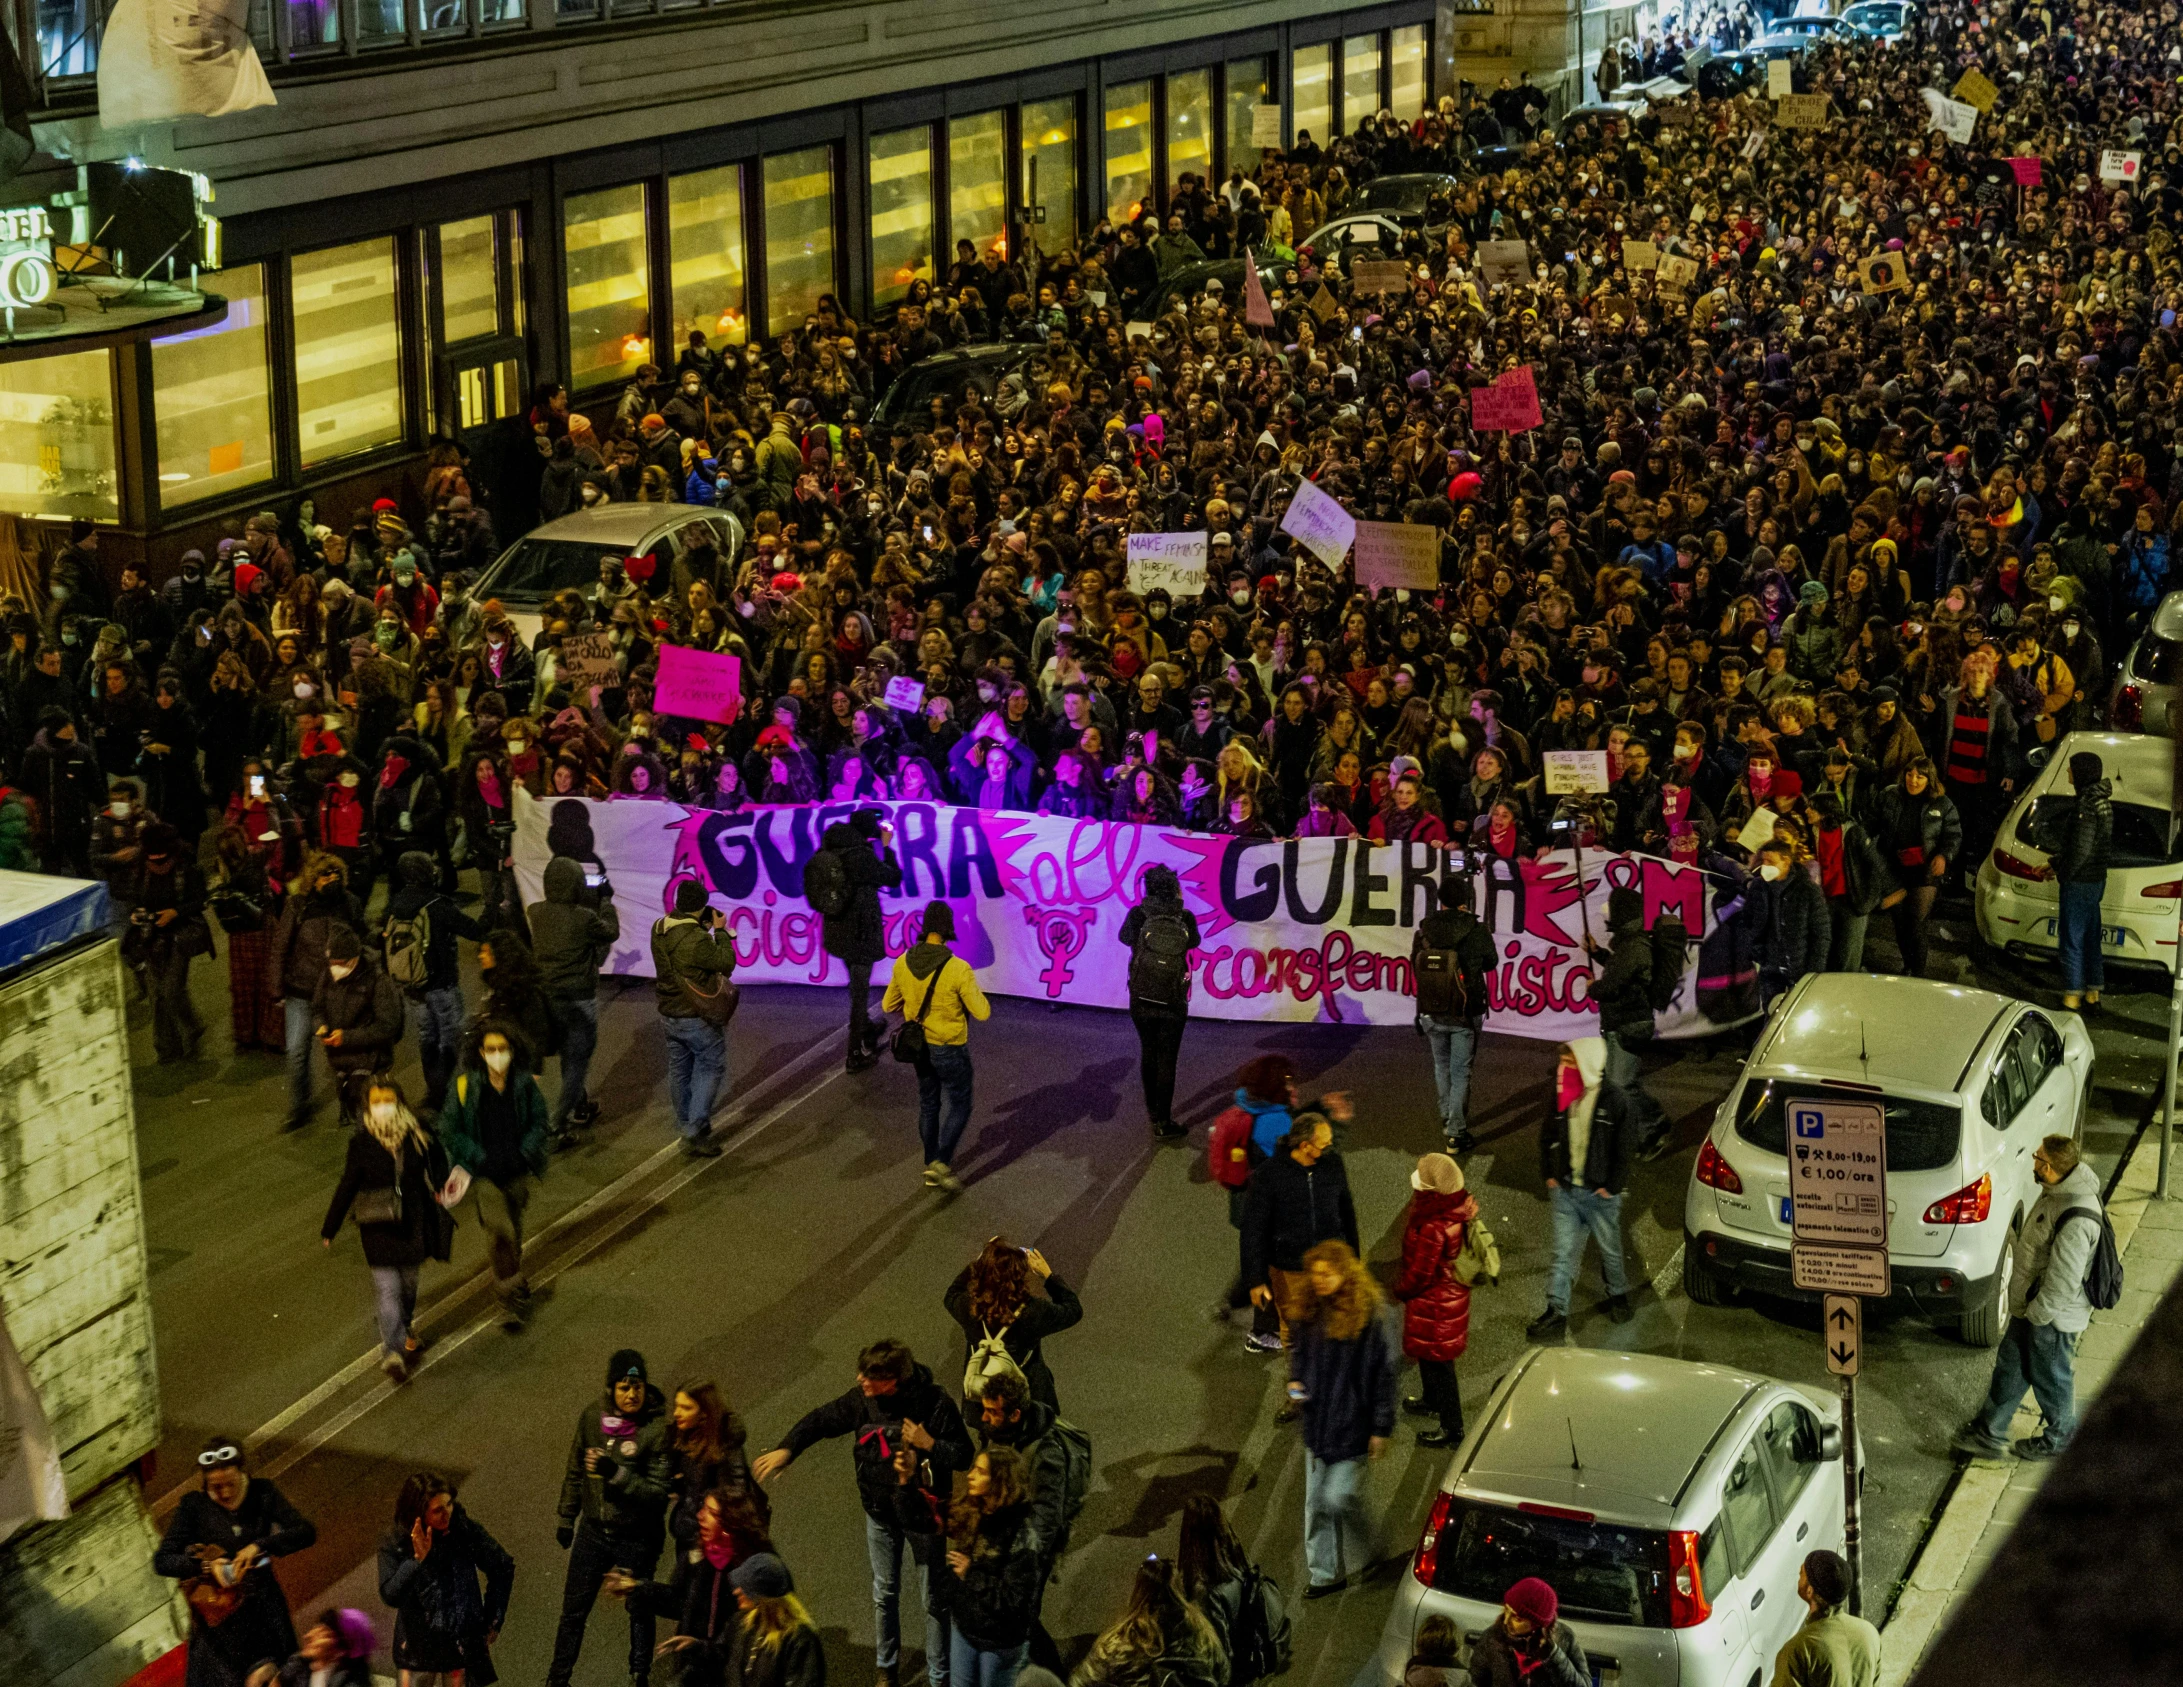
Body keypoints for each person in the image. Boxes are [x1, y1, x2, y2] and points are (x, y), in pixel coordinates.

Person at [751, 1338, 973, 1687]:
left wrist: (929, 1444)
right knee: (884, 1593)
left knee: (934, 1601)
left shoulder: (934, 1404)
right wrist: (788, 1449)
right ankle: (886, 1667)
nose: (859, 1380)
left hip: (923, 1520)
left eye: (870, 1376)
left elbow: (964, 1454)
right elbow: (821, 1420)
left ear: (894, 1379)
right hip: (880, 1513)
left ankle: (938, 1676)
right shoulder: (863, 1403)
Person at [1956, 1135, 2105, 1460]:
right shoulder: (2057, 1192)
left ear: (2048, 1166)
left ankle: (2060, 1438)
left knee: (2051, 1377)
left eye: (2037, 1157)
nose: (2033, 1161)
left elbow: (2064, 1279)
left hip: (2050, 1316)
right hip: (2031, 1309)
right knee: (2011, 1367)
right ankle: (1990, 1434)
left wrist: (2037, 1315)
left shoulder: (2076, 1216)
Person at [548, 1350, 674, 1687]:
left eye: (638, 1387)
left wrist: (615, 1474)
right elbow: (575, 1469)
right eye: (624, 1387)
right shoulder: (592, 1417)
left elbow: (658, 1495)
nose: (632, 1395)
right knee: (573, 1613)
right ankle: (557, 1680)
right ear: (611, 1389)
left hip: (637, 1536)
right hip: (593, 1532)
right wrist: (566, 1516)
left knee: (639, 1608)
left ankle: (639, 1675)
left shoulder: (657, 1429)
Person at [154, 1437, 318, 1687]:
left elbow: (305, 1532)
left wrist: (260, 1546)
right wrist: (207, 1567)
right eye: (216, 1487)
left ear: (243, 1472)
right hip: (221, 1619)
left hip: (264, 1611)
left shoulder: (263, 1493)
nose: (226, 1493)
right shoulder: (194, 1507)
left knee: (281, 1678)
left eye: (231, 1484)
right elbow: (163, 1561)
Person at [320, 1078, 452, 1381]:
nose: (382, 1107)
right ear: (368, 1106)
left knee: (407, 1286)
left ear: (399, 1102)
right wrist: (331, 1226)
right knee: (387, 1289)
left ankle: (406, 1328)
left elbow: (438, 1163)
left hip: (412, 1223)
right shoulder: (361, 1144)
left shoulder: (417, 1134)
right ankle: (392, 1350)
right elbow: (348, 1184)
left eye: (387, 1100)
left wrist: (442, 1187)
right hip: (377, 1225)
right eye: (376, 1102)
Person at [1287, 1240, 1395, 1597]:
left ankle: (1374, 1548)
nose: (1318, 1280)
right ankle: (1325, 1575)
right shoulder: (1308, 1313)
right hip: (1318, 1426)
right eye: (1315, 1273)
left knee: (1337, 1498)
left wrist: (1380, 1428)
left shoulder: (1367, 1319)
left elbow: (1382, 1375)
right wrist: (1295, 1385)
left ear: (1344, 1274)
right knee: (1315, 1505)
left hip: (1352, 1428)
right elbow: (1299, 1360)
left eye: (1326, 1274)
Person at [893, 1442, 1043, 1687]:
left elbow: (1016, 1601)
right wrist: (905, 1480)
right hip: (966, 1628)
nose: (970, 1475)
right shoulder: (972, 1510)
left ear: (1000, 1482)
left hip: (1000, 1643)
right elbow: (922, 1520)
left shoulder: (1022, 1536)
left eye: (980, 1472)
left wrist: (971, 1574)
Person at [437, 1023, 551, 1331]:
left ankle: (513, 1282)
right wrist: (478, 1156)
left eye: (502, 1049)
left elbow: (540, 1123)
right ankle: (508, 1300)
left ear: (513, 1052)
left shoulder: (524, 1085)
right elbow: (448, 1128)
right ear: (480, 1052)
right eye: (491, 1049)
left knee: (513, 1236)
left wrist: (523, 1152)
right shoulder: (465, 1086)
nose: (497, 1055)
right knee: (501, 1233)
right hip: (485, 1177)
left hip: (515, 1174)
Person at [1528, 1038, 1637, 1341]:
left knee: (1611, 1252)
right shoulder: (1563, 1093)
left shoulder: (1617, 1101)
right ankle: (1556, 1312)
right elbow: (1547, 1135)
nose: (1563, 1070)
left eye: (1570, 1063)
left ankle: (1618, 1294)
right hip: (1566, 1192)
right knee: (1562, 1254)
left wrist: (1611, 1186)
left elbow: (1625, 1149)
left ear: (1588, 1064)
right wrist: (1550, 1174)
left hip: (1598, 1196)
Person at [881, 900, 992, 1193]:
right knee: (961, 1103)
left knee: (929, 1103)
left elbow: (888, 1003)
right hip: (948, 1045)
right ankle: (942, 1162)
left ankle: (930, 1162)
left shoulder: (903, 962)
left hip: (919, 1048)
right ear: (947, 931)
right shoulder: (958, 968)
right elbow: (982, 1012)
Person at [376, 1471, 514, 1687]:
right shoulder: (397, 1540)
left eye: (449, 1504)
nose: (446, 1513)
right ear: (418, 1513)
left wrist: (492, 1619)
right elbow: (390, 1595)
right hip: (417, 1648)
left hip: (459, 1646)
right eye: (437, 1510)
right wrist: (416, 1561)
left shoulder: (463, 1530)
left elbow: (502, 1566)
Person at [1239, 1105, 1360, 1349]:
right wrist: (1256, 1279)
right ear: (1305, 1146)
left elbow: (1347, 1211)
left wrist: (1354, 1257)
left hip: (1329, 1263)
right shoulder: (1268, 1176)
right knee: (1295, 1328)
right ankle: (1301, 1377)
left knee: (1331, 1322)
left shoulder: (1333, 1164)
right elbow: (1253, 1229)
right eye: (1323, 1144)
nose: (1329, 1147)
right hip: (1290, 1268)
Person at [383, 850, 487, 1116]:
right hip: (442, 984)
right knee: (451, 1039)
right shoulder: (437, 904)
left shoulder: (396, 903)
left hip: (413, 986)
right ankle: (448, 1094)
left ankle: (433, 1092)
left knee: (426, 1037)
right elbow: (473, 930)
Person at [527, 853, 621, 1143]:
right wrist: (605, 901)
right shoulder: (585, 918)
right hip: (578, 999)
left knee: (568, 1055)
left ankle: (580, 1106)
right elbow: (611, 933)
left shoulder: (535, 912)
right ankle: (557, 1123)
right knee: (576, 1062)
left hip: (548, 998)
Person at [271, 851, 367, 1131]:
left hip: (338, 992)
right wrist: (276, 988)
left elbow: (361, 939)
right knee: (297, 1051)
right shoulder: (297, 906)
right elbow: (280, 948)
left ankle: (352, 1104)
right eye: (325, 874)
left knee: (345, 1053)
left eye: (336, 873)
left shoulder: (350, 903)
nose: (332, 879)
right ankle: (298, 1106)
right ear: (312, 879)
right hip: (301, 992)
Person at [1390, 1152, 1478, 1449]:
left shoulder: (1433, 1225)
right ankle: (1431, 1399)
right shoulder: (1454, 1208)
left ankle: (1452, 1427)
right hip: (1445, 1298)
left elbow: (1420, 1273)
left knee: (1441, 1364)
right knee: (1429, 1356)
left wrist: (1400, 1290)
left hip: (1436, 1305)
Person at [944, 1236, 1084, 1414]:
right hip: (1028, 1390)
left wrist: (981, 1261)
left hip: (983, 1394)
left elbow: (952, 1293)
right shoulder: (1033, 1312)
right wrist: (1048, 1276)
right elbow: (1073, 1310)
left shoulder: (969, 1306)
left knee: (987, 1420)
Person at [651, 878, 738, 1157]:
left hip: (669, 1012)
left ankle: (686, 1123)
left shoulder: (659, 928)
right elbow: (726, 963)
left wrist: (701, 927)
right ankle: (694, 1128)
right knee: (711, 1066)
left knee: (680, 1071)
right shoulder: (697, 940)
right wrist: (721, 933)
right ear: (701, 908)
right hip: (695, 1015)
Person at [1408, 874, 1493, 1153]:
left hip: (1431, 1010)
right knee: (1461, 1072)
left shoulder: (1424, 930)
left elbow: (1414, 964)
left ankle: (1448, 1119)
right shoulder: (1475, 928)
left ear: (1440, 900)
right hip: (1465, 1011)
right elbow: (1491, 962)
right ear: (1464, 902)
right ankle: (1456, 1134)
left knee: (1441, 1066)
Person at [814, 808, 904, 1071]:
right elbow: (893, 877)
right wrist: (887, 847)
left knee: (856, 988)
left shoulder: (829, 849)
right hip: (860, 933)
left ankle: (866, 1030)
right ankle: (854, 1053)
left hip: (837, 932)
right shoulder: (860, 857)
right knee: (860, 994)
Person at [1118, 864, 1201, 1138]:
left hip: (1141, 996)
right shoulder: (1185, 916)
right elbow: (1194, 943)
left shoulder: (1138, 914)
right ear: (1175, 888)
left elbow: (1124, 938)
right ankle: (1164, 1123)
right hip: (1173, 998)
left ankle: (1152, 1110)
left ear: (1148, 888)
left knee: (1148, 1051)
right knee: (1168, 1058)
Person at [1583, 886, 1665, 1154]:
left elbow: (1611, 986)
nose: (1607, 911)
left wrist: (1592, 988)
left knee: (1621, 1084)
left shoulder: (1632, 946)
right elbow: (1620, 970)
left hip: (1628, 1024)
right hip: (1622, 1023)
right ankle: (1649, 1118)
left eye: (1611, 906)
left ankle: (1651, 1129)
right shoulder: (1630, 944)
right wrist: (1597, 952)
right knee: (1622, 1082)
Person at [1068, 1557, 1227, 1687]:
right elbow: (1223, 1673)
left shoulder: (1119, 1644)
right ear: (1178, 1591)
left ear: (1138, 1592)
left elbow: (1082, 1680)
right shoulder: (1202, 1634)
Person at [126, 820, 210, 1063]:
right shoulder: (141, 868)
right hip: (150, 938)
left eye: (162, 860)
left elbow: (200, 900)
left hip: (180, 937)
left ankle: (192, 1027)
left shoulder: (189, 869)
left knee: (171, 990)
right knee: (157, 996)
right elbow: (134, 896)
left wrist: (176, 912)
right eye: (153, 860)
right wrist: (136, 912)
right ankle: (166, 1049)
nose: (157, 865)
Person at [2037, 749, 2112, 1010]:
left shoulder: (2086, 804)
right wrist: (2054, 864)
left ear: (2081, 772)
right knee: (2091, 937)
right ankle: (2093, 993)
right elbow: (2085, 847)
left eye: (2071, 768)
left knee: (2071, 939)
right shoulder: (2101, 801)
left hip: (2080, 882)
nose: (2068, 772)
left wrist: (2063, 872)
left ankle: (2071, 997)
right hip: (2095, 880)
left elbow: (2079, 850)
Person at [311, 925, 407, 1127]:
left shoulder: (378, 981)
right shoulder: (328, 975)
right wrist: (320, 1026)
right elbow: (317, 1008)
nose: (335, 968)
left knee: (367, 1119)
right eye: (332, 963)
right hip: (340, 1059)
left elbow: (387, 1026)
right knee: (352, 1101)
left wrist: (346, 1037)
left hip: (370, 1059)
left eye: (340, 963)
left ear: (354, 958)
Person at [1767, 1550, 1881, 1687]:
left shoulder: (1799, 1650)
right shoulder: (1869, 1633)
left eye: (1802, 1573)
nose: (1799, 1573)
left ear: (1810, 1591)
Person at [1173, 1495, 1258, 1676]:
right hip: (1248, 1643)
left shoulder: (1203, 1588)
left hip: (1228, 1665)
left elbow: (1217, 1645)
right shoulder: (1235, 1558)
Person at [1464, 1578, 1589, 1687]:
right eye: (1506, 1610)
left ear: (1537, 1623)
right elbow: (1474, 1681)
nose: (1507, 1621)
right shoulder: (1492, 1637)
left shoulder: (1564, 1636)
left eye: (1517, 1618)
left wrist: (1554, 1656)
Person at [245, 1610, 377, 1687]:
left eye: (321, 1634)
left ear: (341, 1651)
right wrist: (270, 1669)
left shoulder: (352, 1683)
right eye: (313, 1630)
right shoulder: (301, 1664)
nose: (307, 1636)